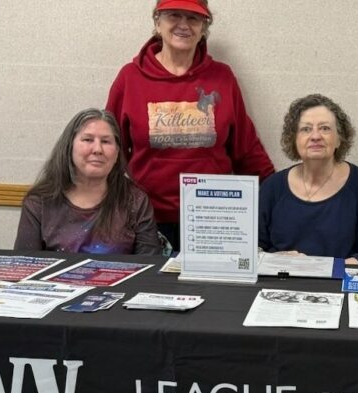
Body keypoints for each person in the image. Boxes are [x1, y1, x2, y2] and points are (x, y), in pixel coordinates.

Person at [106, 0, 274, 250]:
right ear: (157, 22)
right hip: (146, 220)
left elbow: (246, 150)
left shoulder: (223, 77)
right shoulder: (130, 78)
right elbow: (109, 148)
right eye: (174, 15)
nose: (183, 25)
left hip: (214, 219)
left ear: (204, 27)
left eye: (193, 18)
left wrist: (278, 197)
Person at [259, 94, 358, 265]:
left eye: (325, 128)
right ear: (294, 139)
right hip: (283, 278)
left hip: (340, 278)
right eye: (306, 129)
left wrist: (319, 267)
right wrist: (280, 261)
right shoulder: (272, 186)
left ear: (339, 139)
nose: (315, 136)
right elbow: (254, 249)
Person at [14, 108, 161, 255]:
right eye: (88, 140)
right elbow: (24, 264)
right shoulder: (39, 202)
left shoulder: (135, 201)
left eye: (106, 141)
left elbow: (151, 264)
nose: (97, 149)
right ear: (69, 147)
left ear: (117, 153)